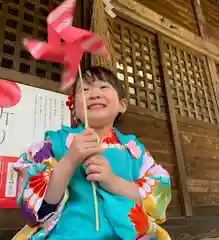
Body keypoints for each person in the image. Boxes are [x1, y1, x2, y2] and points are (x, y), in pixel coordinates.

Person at [13, 67, 171, 240]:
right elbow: (35, 210)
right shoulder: (54, 144)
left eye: (103, 87)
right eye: (85, 90)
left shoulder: (135, 150)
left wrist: (112, 181)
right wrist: (70, 160)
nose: (94, 94)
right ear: (73, 107)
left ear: (122, 105)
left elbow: (158, 196)